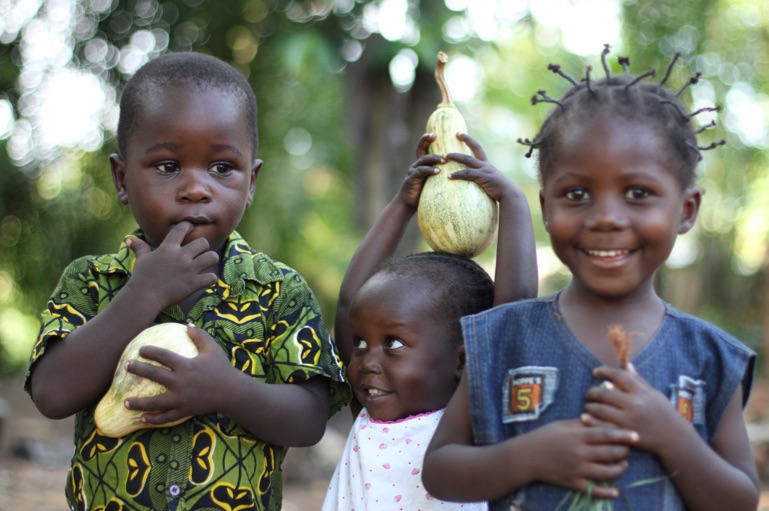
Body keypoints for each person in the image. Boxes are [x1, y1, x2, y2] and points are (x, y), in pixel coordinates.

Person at [422, 46, 760, 511]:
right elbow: (440, 471)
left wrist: (672, 436)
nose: (605, 218)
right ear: (546, 208)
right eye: (577, 193)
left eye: (637, 193)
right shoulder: (501, 339)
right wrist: (530, 456)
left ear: (686, 211)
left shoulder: (710, 359)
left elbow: (741, 500)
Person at [24, 51, 350, 511]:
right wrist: (144, 293)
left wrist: (227, 390)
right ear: (121, 178)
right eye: (168, 166)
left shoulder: (279, 291)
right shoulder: (92, 282)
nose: (196, 188)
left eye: (221, 168)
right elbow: (52, 394)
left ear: (251, 182)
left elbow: (310, 419)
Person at [322, 133, 539, 510]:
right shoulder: (370, 419)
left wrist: (513, 201)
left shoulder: (468, 423)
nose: (366, 362)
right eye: (361, 343)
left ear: (463, 360)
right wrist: (402, 205)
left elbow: (514, 311)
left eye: (392, 343)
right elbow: (348, 304)